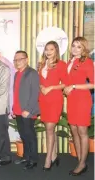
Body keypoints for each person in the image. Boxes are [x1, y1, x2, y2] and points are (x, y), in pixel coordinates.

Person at [64, 37, 94, 176]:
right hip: (72, 100)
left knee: (82, 132)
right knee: (74, 130)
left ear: (84, 49)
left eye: (79, 46)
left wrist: (74, 86)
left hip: (82, 99)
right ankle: (79, 159)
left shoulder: (87, 62)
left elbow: (93, 84)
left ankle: (82, 164)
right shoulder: (69, 62)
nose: (75, 48)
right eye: (74, 45)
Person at [38, 41, 67, 171]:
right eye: (46, 49)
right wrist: (41, 87)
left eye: (51, 49)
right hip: (43, 100)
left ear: (56, 50)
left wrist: (50, 87)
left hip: (54, 99)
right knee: (49, 129)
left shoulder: (61, 65)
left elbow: (66, 84)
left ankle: (48, 159)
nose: (48, 52)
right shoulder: (41, 64)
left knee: (49, 129)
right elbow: (38, 81)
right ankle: (54, 155)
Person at [12, 50, 40, 170]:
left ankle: (33, 160)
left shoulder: (32, 73)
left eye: (20, 59)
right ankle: (26, 157)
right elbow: (16, 93)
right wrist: (14, 108)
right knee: (23, 135)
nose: (17, 62)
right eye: (15, 60)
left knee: (30, 136)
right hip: (18, 110)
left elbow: (35, 93)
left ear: (26, 60)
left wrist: (28, 109)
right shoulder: (17, 74)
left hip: (28, 111)